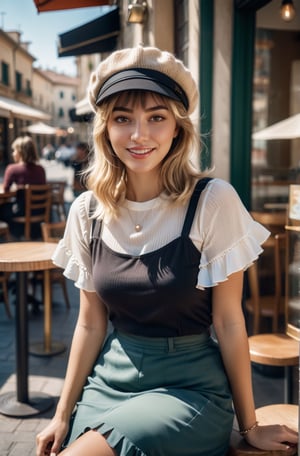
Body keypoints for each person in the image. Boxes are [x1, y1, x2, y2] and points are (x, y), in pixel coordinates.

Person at [36, 46, 298, 456]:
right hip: (108, 382)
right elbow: (89, 325)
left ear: (178, 128)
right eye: (123, 118)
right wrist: (61, 414)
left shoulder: (212, 201)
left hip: (188, 388)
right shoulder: (87, 212)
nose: (139, 135)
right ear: (105, 128)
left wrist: (250, 425)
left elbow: (229, 322)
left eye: (156, 117)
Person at [0, 135, 46, 225]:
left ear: (20, 152)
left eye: (14, 150)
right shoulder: (41, 169)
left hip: (21, 211)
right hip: (41, 210)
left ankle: (8, 234)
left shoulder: (12, 169)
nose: (12, 153)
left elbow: (5, 190)